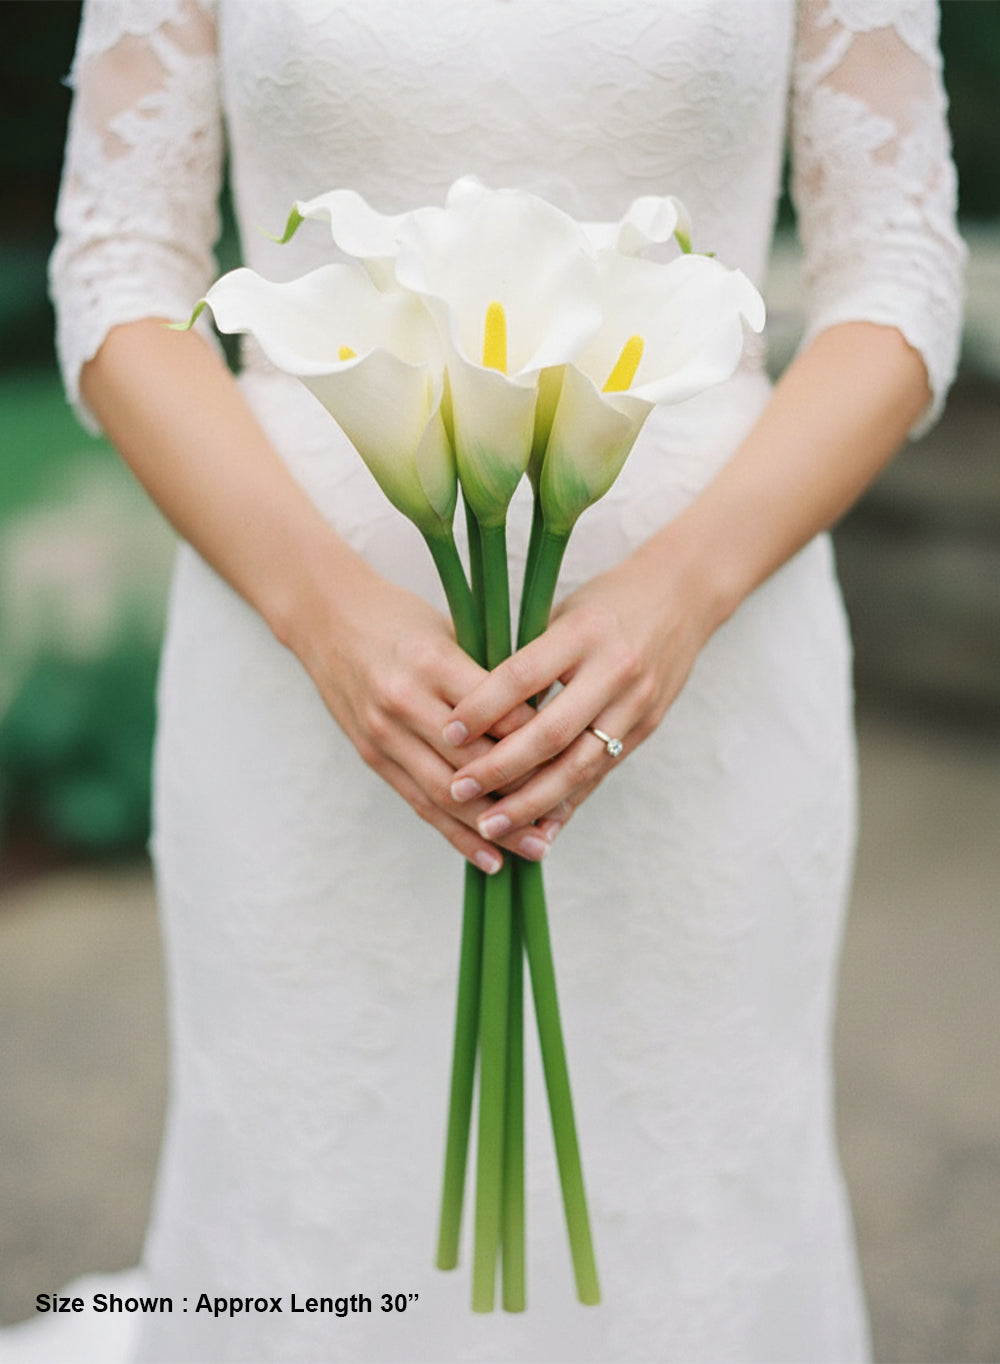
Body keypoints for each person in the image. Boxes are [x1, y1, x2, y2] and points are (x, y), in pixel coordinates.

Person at [11, 0, 965, 1360]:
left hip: (706, 683)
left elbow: (899, 272)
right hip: (297, 688)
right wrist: (323, 615)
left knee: (682, 1204)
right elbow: (119, 267)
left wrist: (681, 593)